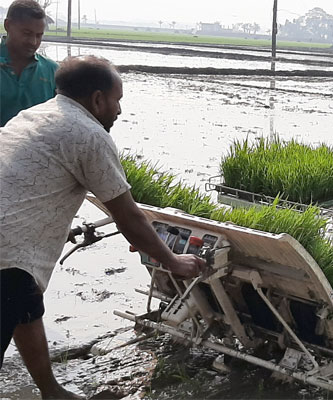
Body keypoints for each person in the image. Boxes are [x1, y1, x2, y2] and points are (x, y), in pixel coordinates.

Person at [0, 55, 206, 399]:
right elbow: (129, 217)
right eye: (117, 100)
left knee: (27, 309)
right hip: (6, 258)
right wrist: (175, 262)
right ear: (97, 99)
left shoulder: (33, 116)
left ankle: (51, 391)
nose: (119, 111)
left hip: (12, 249)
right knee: (16, 294)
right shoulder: (88, 134)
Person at [1, 0, 58, 127]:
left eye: (39, 36)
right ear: (8, 25)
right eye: (26, 33)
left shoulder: (52, 71)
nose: (33, 42)